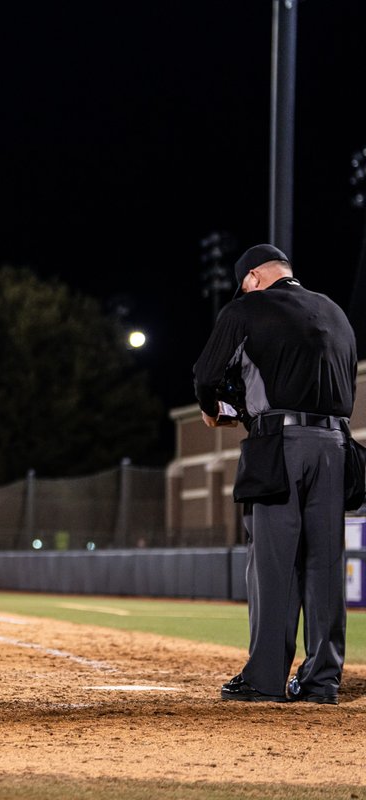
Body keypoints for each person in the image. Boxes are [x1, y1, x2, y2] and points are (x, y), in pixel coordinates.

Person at [193, 243, 356, 704]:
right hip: (336, 447)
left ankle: (265, 680)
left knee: (273, 564)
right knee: (324, 565)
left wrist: (219, 412)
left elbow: (206, 376)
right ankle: (322, 681)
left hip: (279, 446)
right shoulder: (335, 311)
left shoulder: (247, 308)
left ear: (252, 279)